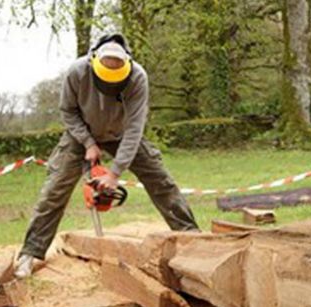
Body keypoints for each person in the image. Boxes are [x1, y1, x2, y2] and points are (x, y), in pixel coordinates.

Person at [14, 33, 199, 278]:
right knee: (54, 189)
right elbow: (67, 112)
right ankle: (31, 253)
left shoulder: (138, 77)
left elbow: (135, 128)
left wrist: (115, 173)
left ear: (127, 64)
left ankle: (194, 240)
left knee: (161, 182)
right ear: (93, 62)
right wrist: (88, 142)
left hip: (122, 133)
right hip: (81, 132)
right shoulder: (77, 72)